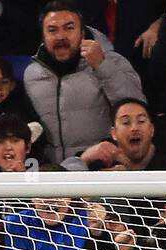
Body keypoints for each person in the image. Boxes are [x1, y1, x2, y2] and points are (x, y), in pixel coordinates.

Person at [25, 0, 144, 165]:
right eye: (52, 30)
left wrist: (102, 66)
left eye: (69, 28)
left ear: (82, 33)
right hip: (53, 177)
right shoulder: (32, 74)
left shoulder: (111, 61)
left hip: (102, 172)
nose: (60, 36)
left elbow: (137, 108)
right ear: (43, 37)